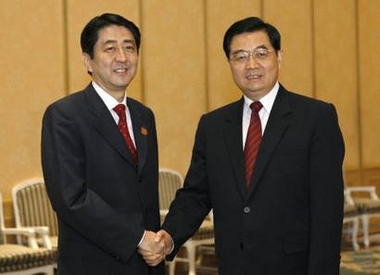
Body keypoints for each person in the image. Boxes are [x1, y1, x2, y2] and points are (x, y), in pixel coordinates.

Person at [142, 16, 345, 275]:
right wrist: (168, 237)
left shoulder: (316, 118)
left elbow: (327, 209)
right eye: (240, 56)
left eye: (261, 53)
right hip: (233, 265)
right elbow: (196, 194)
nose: (251, 64)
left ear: (278, 57)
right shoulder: (213, 125)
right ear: (229, 63)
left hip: (295, 266)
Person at [41, 13, 165, 275]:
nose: (122, 57)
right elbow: (71, 198)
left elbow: (145, 193)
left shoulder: (144, 116)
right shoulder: (65, 115)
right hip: (93, 264)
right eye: (110, 48)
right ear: (88, 60)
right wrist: (138, 238)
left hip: (146, 264)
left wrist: (155, 245)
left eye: (129, 47)